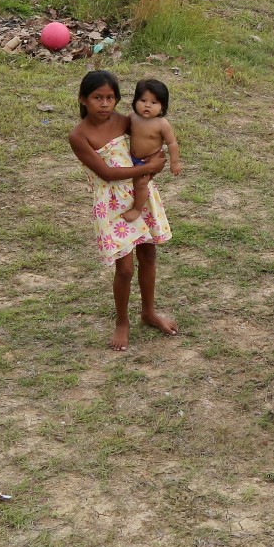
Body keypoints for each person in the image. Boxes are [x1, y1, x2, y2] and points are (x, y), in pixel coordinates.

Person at [66, 70, 175, 351]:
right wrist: (148, 168)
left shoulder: (125, 121)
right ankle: (122, 322)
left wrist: (158, 158)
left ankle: (149, 312)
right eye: (97, 97)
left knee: (148, 254)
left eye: (110, 97)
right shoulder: (79, 135)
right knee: (125, 269)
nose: (104, 104)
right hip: (111, 204)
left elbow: (149, 137)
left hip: (139, 195)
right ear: (83, 100)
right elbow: (106, 172)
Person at [127, 78, 181, 232]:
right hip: (130, 158)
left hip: (148, 160)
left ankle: (137, 209)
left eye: (154, 102)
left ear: (162, 106)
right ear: (135, 100)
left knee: (141, 183)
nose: (147, 105)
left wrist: (174, 162)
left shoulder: (161, 124)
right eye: (143, 100)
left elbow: (172, 143)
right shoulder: (132, 117)